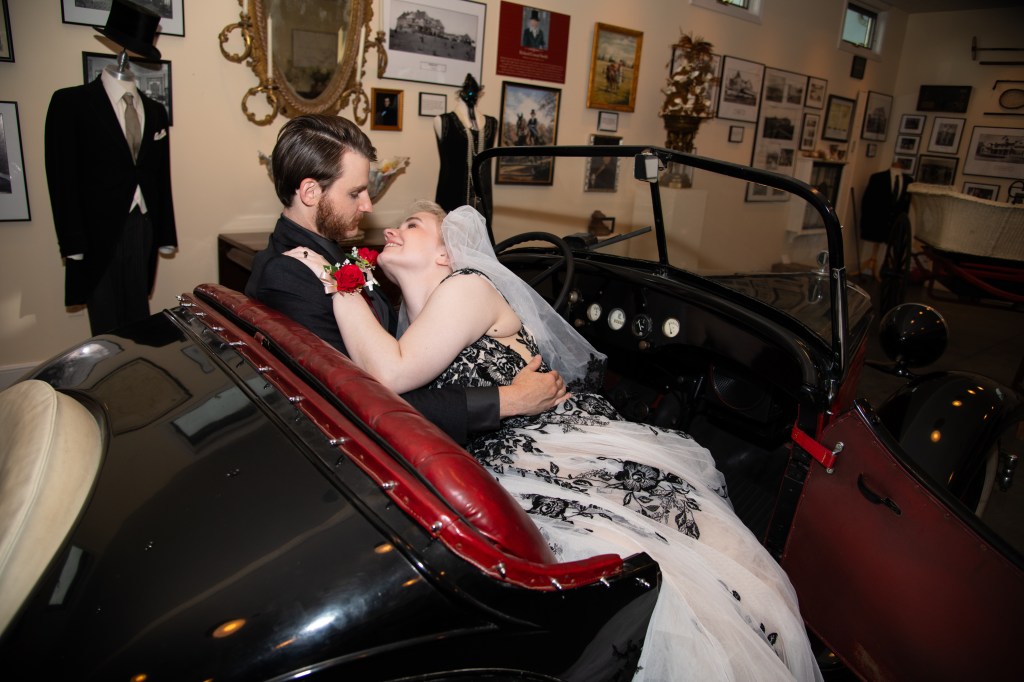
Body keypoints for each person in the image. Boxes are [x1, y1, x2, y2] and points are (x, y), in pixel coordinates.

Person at [285, 203, 824, 681]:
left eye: (412, 224)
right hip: (500, 460)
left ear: (447, 254)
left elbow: (388, 373)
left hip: (553, 442)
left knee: (648, 562)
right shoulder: (415, 324)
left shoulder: (467, 286)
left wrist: (335, 279)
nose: (391, 230)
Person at [245, 115, 565, 445]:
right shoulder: (290, 274)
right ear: (311, 192)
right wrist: (507, 400)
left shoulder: (325, 257)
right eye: (355, 193)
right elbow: (356, 397)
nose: (368, 206)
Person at [44, 0, 177, 335]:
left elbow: (162, 177)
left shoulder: (155, 111)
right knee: (104, 320)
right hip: (95, 228)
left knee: (139, 315)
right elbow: (62, 179)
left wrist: (165, 234)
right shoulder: (71, 104)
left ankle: (139, 365)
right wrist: (72, 242)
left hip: (143, 224)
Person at [433, 73, 497, 221]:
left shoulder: (492, 123)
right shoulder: (443, 121)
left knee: (481, 233)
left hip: (482, 203)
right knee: (449, 235)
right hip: (451, 200)